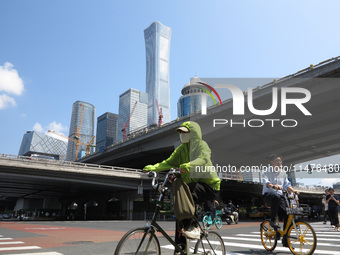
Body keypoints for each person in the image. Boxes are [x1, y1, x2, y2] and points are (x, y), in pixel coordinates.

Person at [143, 121, 221, 244]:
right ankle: (180, 247)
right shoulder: (181, 149)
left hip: (210, 186)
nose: (182, 135)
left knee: (189, 192)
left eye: (185, 132)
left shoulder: (201, 145)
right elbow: (168, 162)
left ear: (193, 133)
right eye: (180, 132)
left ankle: (194, 225)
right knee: (179, 211)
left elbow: (204, 159)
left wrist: (188, 165)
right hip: (194, 184)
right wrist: (153, 167)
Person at [262, 153, 299, 247]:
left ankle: (285, 240)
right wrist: (273, 186)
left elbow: (287, 184)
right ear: (271, 162)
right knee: (276, 196)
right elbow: (266, 182)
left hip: (280, 196)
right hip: (268, 195)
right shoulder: (266, 171)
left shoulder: (282, 172)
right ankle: (273, 219)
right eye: (277, 161)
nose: (279, 162)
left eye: (280, 161)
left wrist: (294, 190)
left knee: (288, 214)